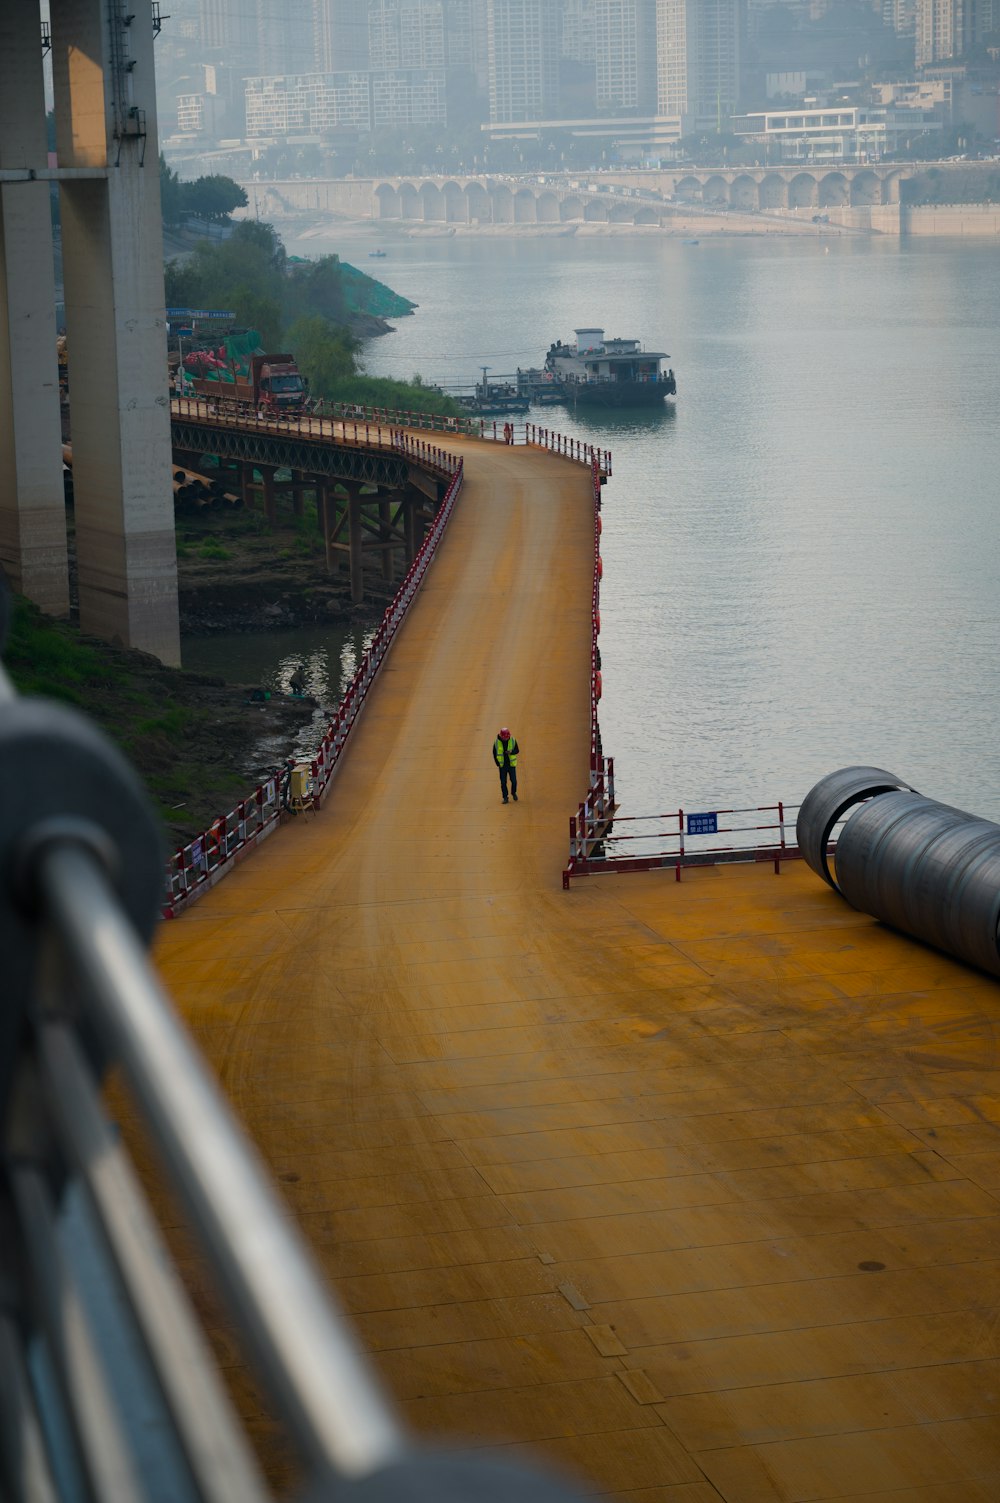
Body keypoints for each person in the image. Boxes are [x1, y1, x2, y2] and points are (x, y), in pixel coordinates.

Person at [493, 726, 519, 803]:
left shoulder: (513, 740)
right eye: (504, 738)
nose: (506, 739)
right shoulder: (497, 742)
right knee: (503, 782)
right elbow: (494, 753)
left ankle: (513, 792)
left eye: (507, 737)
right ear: (501, 736)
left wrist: (511, 752)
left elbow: (517, 750)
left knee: (514, 781)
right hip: (503, 766)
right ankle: (505, 797)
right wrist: (497, 763)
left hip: (511, 765)